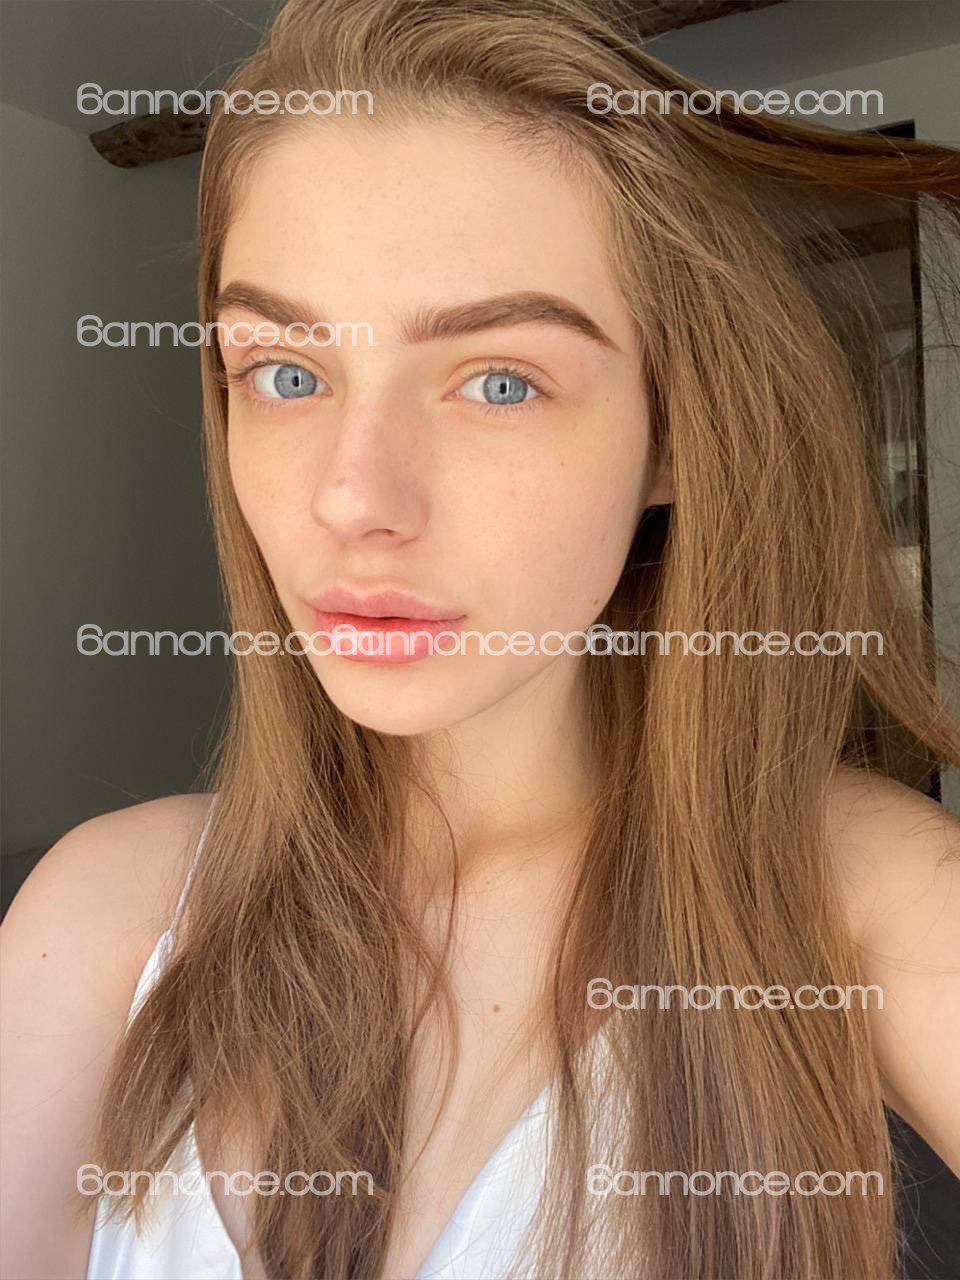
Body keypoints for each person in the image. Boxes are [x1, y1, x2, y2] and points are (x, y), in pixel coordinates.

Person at [3, 1, 960, 1277]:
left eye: (499, 380)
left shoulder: (857, 896)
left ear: (673, 435)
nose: (353, 497)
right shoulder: (108, 912)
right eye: (285, 371)